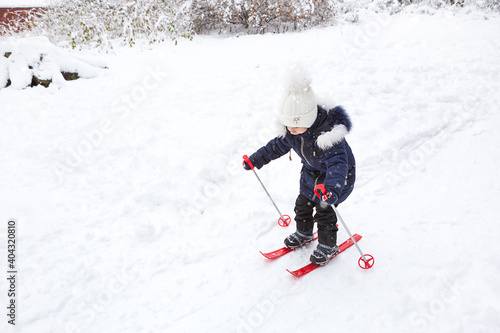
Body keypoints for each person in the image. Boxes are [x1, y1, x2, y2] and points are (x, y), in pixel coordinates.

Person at [242, 68, 356, 266]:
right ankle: (303, 233)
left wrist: (330, 189)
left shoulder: (328, 137)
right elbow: (275, 147)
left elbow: (339, 164)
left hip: (337, 178)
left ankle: (328, 245)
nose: (291, 130)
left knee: (324, 210)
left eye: (297, 125)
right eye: (288, 125)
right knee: (302, 205)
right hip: (311, 174)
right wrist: (256, 159)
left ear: (310, 119)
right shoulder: (291, 132)